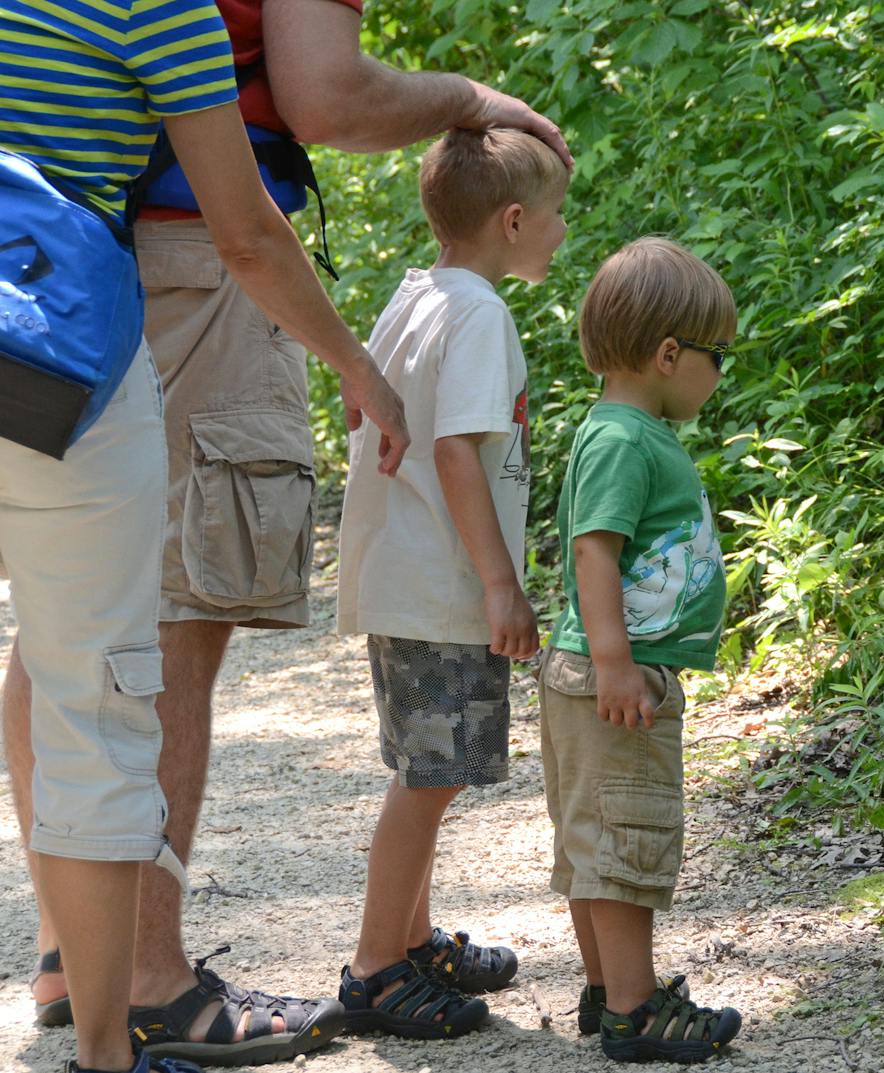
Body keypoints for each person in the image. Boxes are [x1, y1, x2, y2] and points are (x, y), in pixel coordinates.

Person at [4, 0, 571, 1064]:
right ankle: (148, 980)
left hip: (35, 288)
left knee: (66, 622)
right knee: (165, 615)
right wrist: (464, 98)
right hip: (171, 265)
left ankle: (79, 959)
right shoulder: (158, 15)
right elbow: (322, 100)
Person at [334, 126, 568, 1037]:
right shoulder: (478, 313)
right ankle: (376, 968)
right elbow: (456, 451)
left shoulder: (419, 295)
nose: (561, 231)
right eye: (555, 215)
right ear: (512, 220)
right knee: (428, 779)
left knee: (424, 766)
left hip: (408, 574)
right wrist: (500, 584)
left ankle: (415, 937)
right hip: (441, 587)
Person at [539, 237, 744, 1064]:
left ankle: (606, 989)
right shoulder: (625, 438)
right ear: (669, 354)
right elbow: (595, 549)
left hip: (594, 671)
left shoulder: (624, 430)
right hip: (611, 675)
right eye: (716, 357)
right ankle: (634, 1007)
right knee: (626, 838)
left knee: (597, 837)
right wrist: (617, 661)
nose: (718, 374)